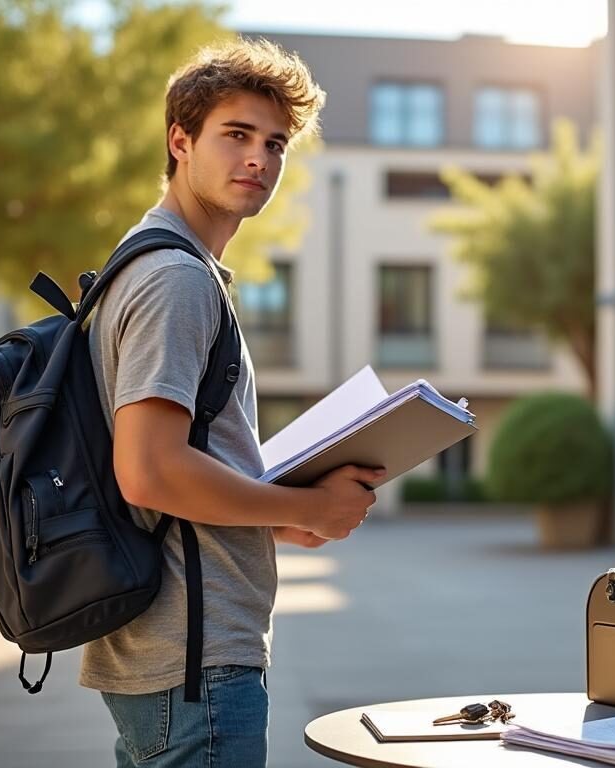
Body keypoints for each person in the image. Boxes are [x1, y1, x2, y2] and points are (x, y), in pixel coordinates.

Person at [82, 37, 379, 768]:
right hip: (196, 660)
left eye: (275, 143)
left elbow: (167, 486)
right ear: (180, 141)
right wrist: (303, 507)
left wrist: (275, 520)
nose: (259, 159)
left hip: (175, 655)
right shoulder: (175, 279)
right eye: (237, 135)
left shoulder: (161, 264)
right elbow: (148, 473)